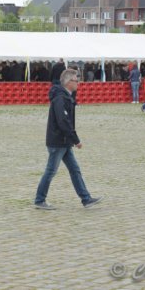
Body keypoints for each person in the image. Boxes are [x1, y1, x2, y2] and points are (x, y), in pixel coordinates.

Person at [34, 69, 103, 210]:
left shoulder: (66, 96)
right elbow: (63, 121)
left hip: (64, 141)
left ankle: (86, 199)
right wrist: (76, 140)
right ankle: (39, 200)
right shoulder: (60, 98)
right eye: (76, 80)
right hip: (58, 141)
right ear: (68, 82)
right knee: (51, 171)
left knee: (75, 170)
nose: (78, 83)